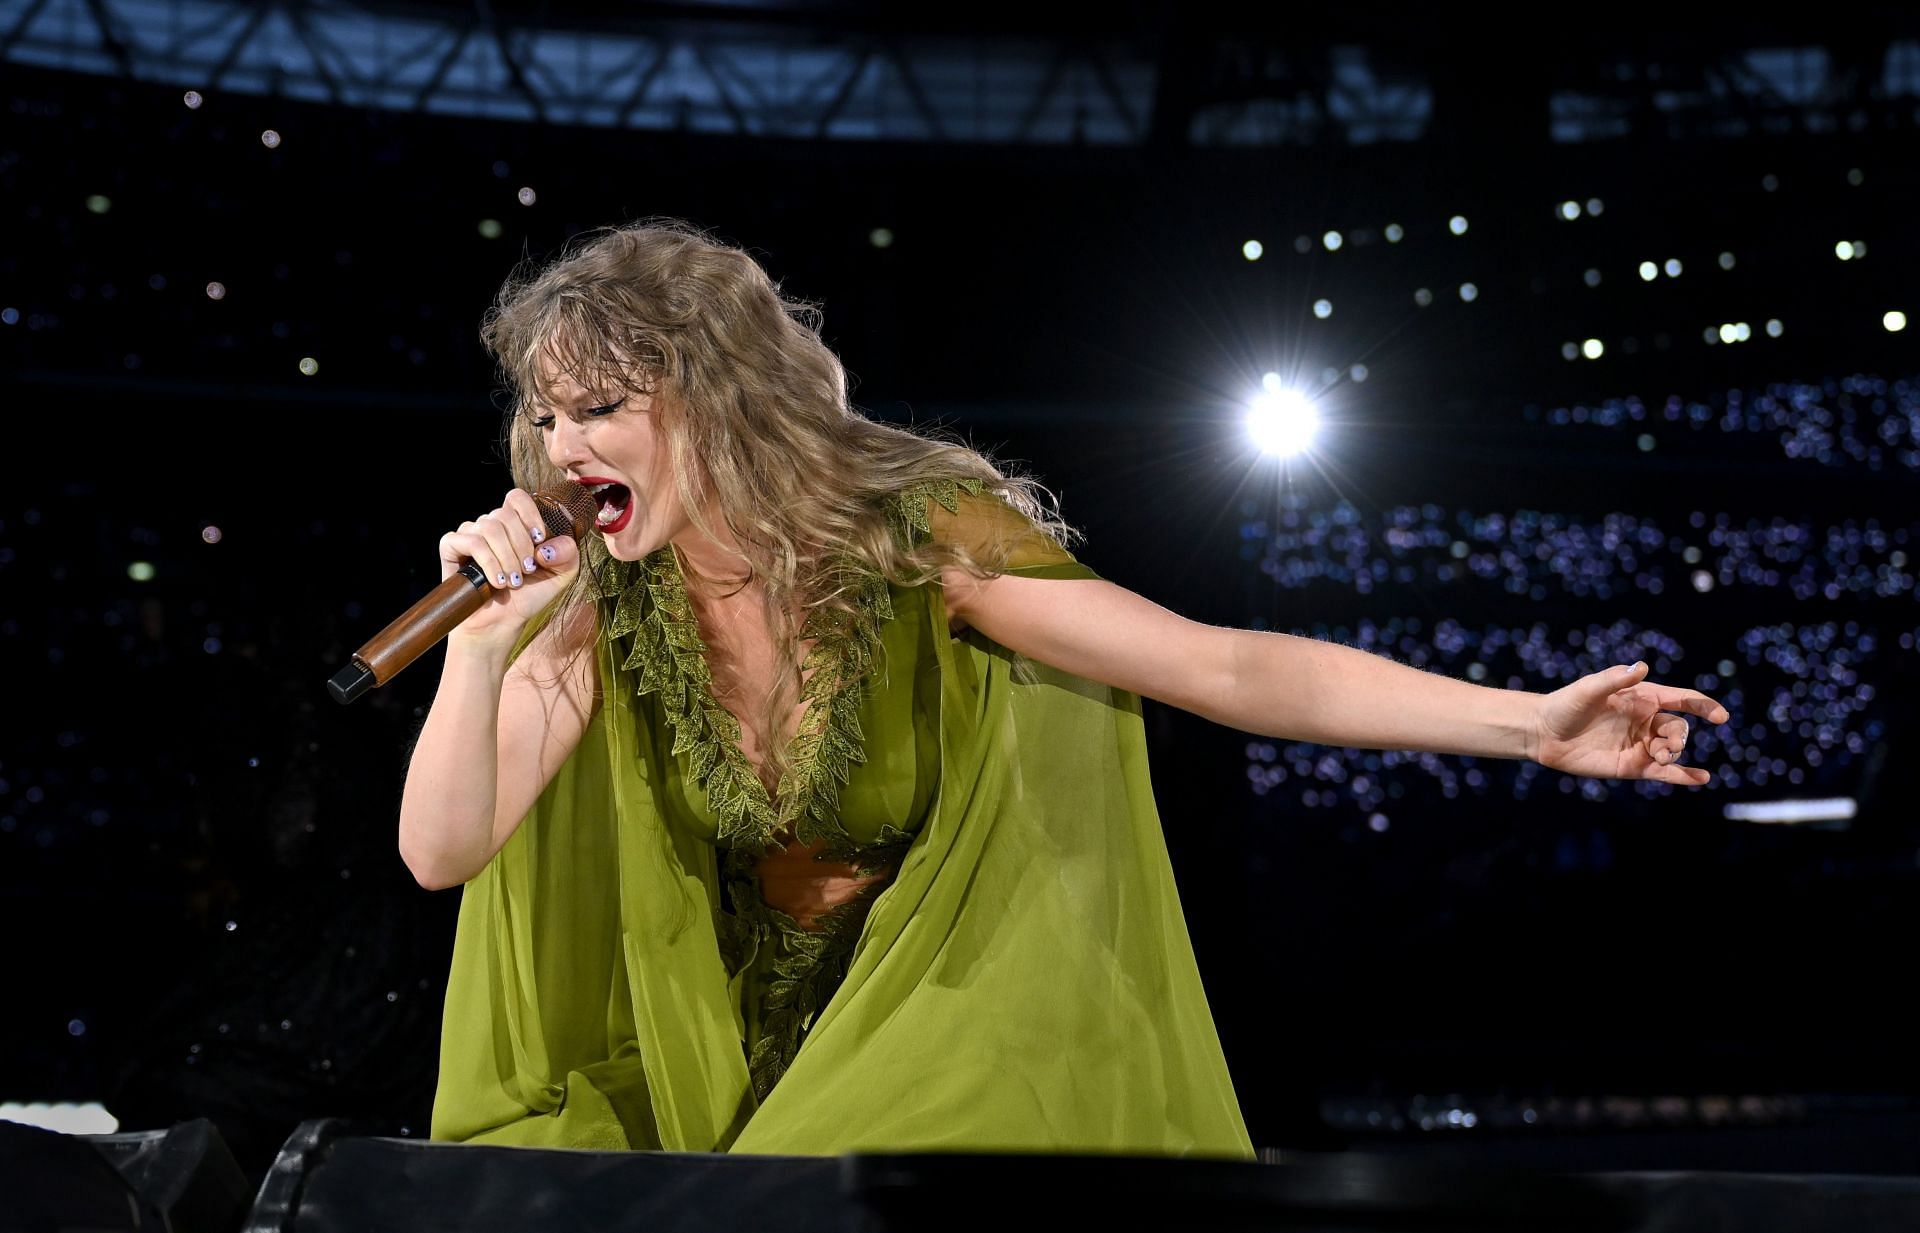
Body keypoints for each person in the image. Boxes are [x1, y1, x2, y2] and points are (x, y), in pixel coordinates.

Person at [400, 219, 1728, 1158]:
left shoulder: (916, 535)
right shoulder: (594, 602)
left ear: (717, 400)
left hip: (950, 1001)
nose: (564, 449)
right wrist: (481, 645)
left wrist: (1525, 722)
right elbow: (444, 847)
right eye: (550, 415)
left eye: (599, 410)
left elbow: (1220, 662)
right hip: (734, 1041)